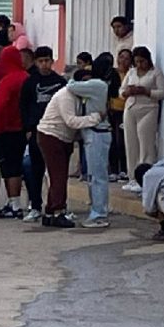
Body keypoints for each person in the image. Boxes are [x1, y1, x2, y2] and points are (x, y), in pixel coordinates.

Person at [36, 86, 102, 227]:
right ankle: (59, 211)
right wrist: (96, 118)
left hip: (63, 138)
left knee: (56, 176)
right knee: (58, 176)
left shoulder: (78, 98)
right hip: (52, 135)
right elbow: (71, 121)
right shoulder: (66, 96)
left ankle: (50, 211)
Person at [19, 46, 66, 222]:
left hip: (57, 132)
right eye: (40, 61)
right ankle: (35, 205)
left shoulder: (60, 82)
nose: (44, 64)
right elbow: (23, 106)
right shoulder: (30, 82)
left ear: (52, 61)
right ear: (36, 62)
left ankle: (57, 206)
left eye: (47, 60)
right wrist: (27, 129)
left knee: (56, 173)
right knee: (34, 170)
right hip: (36, 130)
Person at [68, 54, 113, 228]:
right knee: (94, 174)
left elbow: (71, 85)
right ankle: (97, 209)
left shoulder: (97, 85)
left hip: (97, 133)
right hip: (94, 132)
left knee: (97, 175)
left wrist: (79, 74)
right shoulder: (100, 85)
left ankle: (99, 214)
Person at [120, 46, 164, 194]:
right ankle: (132, 177)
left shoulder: (155, 73)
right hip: (131, 109)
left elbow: (162, 93)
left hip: (148, 109)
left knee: (146, 144)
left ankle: (145, 178)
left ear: (148, 60)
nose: (140, 65)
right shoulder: (132, 72)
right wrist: (128, 92)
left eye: (142, 61)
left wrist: (146, 91)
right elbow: (121, 91)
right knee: (131, 143)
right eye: (137, 62)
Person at [0, 46, 30, 219]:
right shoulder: (27, 77)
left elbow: (1, 107)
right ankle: (24, 202)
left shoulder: (7, 81)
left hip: (8, 129)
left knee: (10, 168)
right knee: (22, 166)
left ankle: (14, 204)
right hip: (26, 129)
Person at [108, 48, 132, 182]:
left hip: (125, 111)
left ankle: (124, 169)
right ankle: (113, 170)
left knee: (122, 141)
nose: (123, 60)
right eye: (121, 57)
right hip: (112, 109)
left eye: (127, 58)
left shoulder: (131, 74)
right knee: (112, 141)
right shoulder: (112, 73)